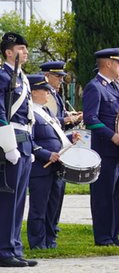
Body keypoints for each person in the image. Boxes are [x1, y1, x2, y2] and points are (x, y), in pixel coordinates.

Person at [83, 47, 119, 247]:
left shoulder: (115, 87)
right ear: (108, 63)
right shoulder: (95, 87)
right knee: (104, 196)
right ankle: (103, 236)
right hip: (106, 150)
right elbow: (90, 119)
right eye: (118, 63)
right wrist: (112, 136)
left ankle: (114, 235)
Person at [28, 73, 76, 250]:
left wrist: (70, 138)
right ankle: (37, 242)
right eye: (45, 90)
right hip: (41, 167)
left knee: (53, 206)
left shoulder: (47, 111)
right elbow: (28, 141)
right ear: (34, 92)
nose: (49, 93)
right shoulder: (29, 112)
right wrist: (46, 154)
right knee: (39, 207)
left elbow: (55, 136)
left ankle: (50, 240)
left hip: (56, 166)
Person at [0, 32, 37, 267]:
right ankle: (4, 250)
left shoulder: (21, 77)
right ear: (8, 52)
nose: (25, 52)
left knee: (20, 199)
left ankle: (14, 246)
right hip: (10, 140)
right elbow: (1, 112)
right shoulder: (3, 76)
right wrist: (9, 145)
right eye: (20, 49)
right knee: (8, 199)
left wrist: (29, 145)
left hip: (24, 139)